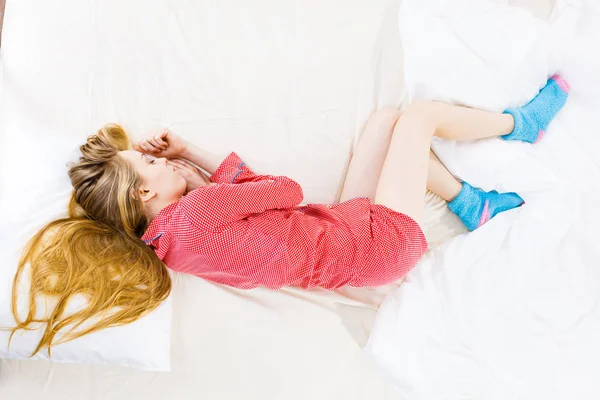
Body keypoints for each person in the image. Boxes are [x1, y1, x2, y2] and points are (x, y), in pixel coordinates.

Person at [11, 75, 569, 354]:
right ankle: (522, 125)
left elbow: (266, 214)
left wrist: (185, 168)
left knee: (382, 124)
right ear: (141, 194)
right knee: (417, 118)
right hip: (370, 244)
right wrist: (193, 155)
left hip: (346, 237)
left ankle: (475, 205)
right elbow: (286, 188)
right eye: (148, 160)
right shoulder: (198, 209)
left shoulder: (173, 247)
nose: (156, 156)